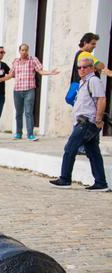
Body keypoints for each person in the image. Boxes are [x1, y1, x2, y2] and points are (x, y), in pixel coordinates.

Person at [50, 58, 108, 191]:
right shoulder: (83, 82)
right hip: (83, 122)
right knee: (93, 153)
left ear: (92, 68)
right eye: (79, 67)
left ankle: (65, 179)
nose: (82, 69)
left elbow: (102, 99)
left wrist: (98, 119)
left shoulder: (93, 80)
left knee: (70, 148)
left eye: (85, 67)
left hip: (87, 122)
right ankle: (101, 183)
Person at [0, 43, 60, 141]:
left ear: (28, 51)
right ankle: (18, 133)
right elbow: (11, 75)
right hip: (17, 91)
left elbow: (40, 71)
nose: (24, 52)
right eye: (22, 50)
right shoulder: (15, 62)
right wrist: (1, 79)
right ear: (19, 51)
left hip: (29, 90)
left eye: (26, 50)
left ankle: (30, 134)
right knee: (19, 113)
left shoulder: (33, 60)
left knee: (28, 112)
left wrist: (50, 73)